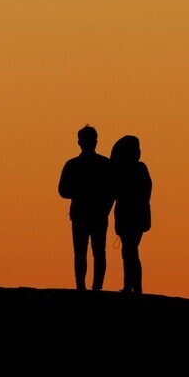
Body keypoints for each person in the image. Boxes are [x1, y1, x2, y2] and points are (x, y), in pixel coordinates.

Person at [58, 125, 114, 291]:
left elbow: (63, 191)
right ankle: (94, 287)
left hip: (83, 214)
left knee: (82, 253)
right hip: (94, 214)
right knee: (97, 252)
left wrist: (79, 192)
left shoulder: (73, 164)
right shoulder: (105, 164)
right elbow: (113, 191)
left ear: (79, 142)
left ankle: (83, 287)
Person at [111, 135, 152, 294]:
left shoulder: (136, 169)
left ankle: (133, 287)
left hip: (132, 216)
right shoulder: (139, 168)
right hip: (134, 216)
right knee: (130, 250)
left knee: (130, 250)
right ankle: (132, 286)